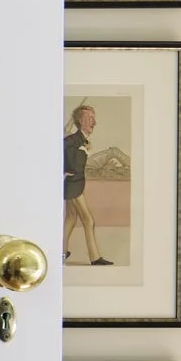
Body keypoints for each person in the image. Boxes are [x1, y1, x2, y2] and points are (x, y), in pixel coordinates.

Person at [64, 102, 112, 266]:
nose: (94, 122)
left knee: (71, 218)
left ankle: (61, 252)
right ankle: (95, 257)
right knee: (88, 220)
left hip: (74, 183)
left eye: (94, 118)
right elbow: (58, 153)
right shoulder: (72, 140)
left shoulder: (81, 140)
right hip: (73, 184)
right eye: (90, 118)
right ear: (80, 121)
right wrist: (64, 171)